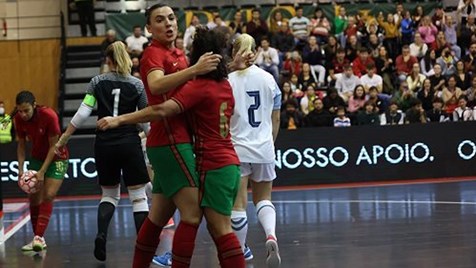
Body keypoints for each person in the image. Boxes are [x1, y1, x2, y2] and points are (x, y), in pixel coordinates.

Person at [97, 26, 246, 268]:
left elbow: (161, 108)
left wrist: (120, 119)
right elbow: (202, 82)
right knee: (162, 218)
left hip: (213, 163)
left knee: (212, 226)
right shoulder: (223, 83)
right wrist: (230, 64)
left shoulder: (198, 85)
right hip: (226, 161)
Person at [54, 41, 151, 261]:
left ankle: (101, 234)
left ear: (107, 61)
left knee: (109, 195)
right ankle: (144, 247)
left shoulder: (96, 82)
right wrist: (153, 141)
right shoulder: (137, 85)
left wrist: (64, 138)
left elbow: (82, 113)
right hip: (129, 142)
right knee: (138, 197)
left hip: (104, 144)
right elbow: (146, 120)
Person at [227, 33, 282, 268]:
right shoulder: (269, 79)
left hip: (238, 148)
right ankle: (271, 235)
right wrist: (270, 143)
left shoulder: (227, 80)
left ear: (234, 52)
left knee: (238, 204)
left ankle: (240, 252)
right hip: (264, 147)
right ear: (255, 52)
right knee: (263, 199)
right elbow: (276, 117)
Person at [13, 90, 69, 252]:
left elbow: (54, 146)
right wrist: (20, 169)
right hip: (37, 158)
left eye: (26, 110)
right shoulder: (17, 118)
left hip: (58, 158)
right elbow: (21, 145)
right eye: (20, 110)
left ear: (34, 105)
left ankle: (38, 236)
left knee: (49, 195)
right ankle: (37, 238)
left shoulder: (49, 115)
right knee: (33, 198)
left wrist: (42, 172)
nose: (23, 114)